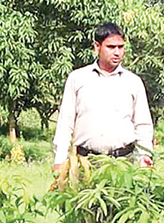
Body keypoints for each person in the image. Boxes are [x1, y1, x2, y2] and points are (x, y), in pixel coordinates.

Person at [52, 22, 154, 171]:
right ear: (97, 47)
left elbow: (143, 125)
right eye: (111, 47)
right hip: (86, 164)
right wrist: (60, 159)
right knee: (84, 194)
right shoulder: (78, 79)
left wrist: (145, 155)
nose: (117, 52)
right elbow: (65, 124)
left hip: (123, 164)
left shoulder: (133, 82)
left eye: (121, 47)